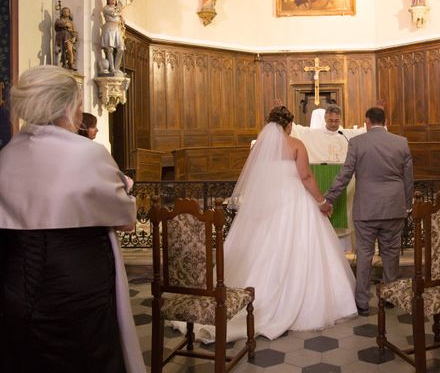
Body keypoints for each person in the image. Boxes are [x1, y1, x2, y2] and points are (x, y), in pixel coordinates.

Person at [0, 65, 144, 373]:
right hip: (77, 280)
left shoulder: (8, 153)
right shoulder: (86, 154)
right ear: (66, 106)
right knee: (87, 356)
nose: (81, 113)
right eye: (79, 105)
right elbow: (126, 219)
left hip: (14, 279)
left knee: (25, 355)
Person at [175, 106, 357, 341]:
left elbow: (254, 177)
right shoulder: (296, 145)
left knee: (262, 249)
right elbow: (306, 177)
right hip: (295, 204)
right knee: (302, 248)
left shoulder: (260, 148)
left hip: (268, 205)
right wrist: (322, 202)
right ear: (289, 125)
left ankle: (246, 297)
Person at [323, 107, 414, 316]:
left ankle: (362, 302)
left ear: (367, 121)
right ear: (386, 120)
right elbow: (408, 178)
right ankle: (390, 295)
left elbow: (345, 175)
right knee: (391, 252)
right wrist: (406, 204)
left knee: (364, 253)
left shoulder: (357, 142)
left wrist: (329, 199)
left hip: (367, 208)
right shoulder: (401, 142)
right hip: (394, 207)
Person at [101, 0, 125, 74]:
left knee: (121, 48)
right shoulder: (106, 8)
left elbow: (122, 20)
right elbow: (113, 14)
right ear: (107, 0)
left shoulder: (117, 9)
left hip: (117, 28)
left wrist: (121, 17)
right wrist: (120, 12)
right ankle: (112, 68)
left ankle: (116, 67)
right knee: (110, 49)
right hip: (109, 27)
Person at [54, 6, 77, 71]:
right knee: (62, 51)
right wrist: (65, 24)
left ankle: (71, 64)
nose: (65, 13)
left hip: (69, 36)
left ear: (69, 13)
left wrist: (74, 37)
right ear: (62, 13)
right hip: (61, 37)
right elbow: (57, 24)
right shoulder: (59, 20)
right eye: (64, 11)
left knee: (70, 50)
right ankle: (63, 63)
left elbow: (74, 31)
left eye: (67, 11)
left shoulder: (71, 22)